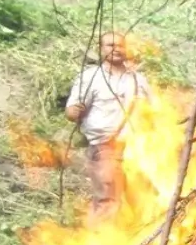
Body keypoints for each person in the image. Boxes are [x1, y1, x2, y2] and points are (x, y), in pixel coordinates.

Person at [65, 32, 152, 220]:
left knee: (143, 203)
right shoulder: (91, 77)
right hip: (105, 148)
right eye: (110, 45)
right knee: (108, 202)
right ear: (101, 49)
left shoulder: (138, 80)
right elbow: (71, 111)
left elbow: (154, 111)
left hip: (136, 150)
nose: (116, 49)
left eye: (120, 45)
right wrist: (74, 112)